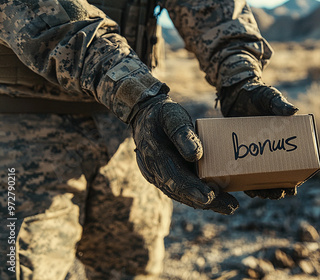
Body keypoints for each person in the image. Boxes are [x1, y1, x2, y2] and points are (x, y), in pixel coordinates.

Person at [0, 0, 298, 278]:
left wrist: (239, 76)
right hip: (21, 133)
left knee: (136, 268)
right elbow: (39, 12)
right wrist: (136, 94)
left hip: (131, 131)